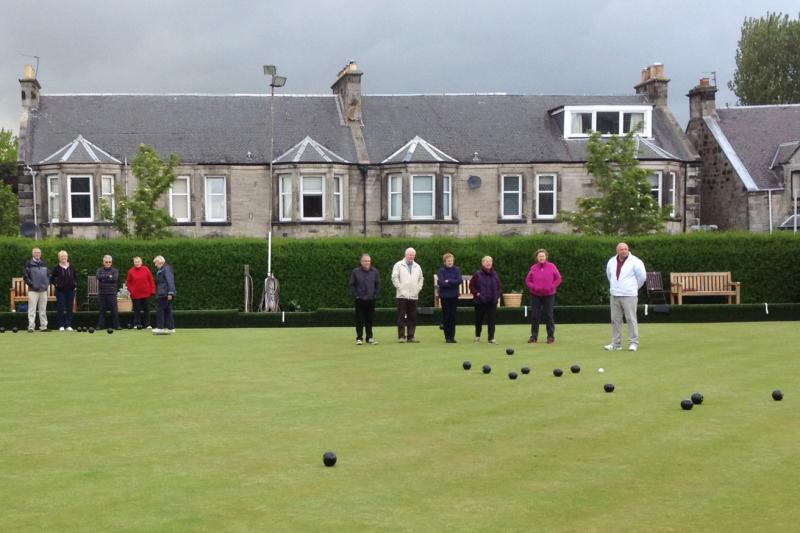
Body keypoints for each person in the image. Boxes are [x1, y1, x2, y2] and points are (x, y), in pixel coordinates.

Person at [605, 242, 646, 352]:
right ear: (617, 251)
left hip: (629, 295)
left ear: (628, 250)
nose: (623, 251)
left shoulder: (636, 261)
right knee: (615, 319)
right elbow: (609, 275)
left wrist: (633, 288)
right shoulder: (611, 261)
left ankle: (633, 343)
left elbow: (642, 277)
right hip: (615, 294)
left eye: (625, 249)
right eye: (621, 249)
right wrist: (615, 286)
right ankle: (616, 344)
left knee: (631, 319)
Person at [525, 249, 562, 344]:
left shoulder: (552, 266)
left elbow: (558, 279)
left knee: (549, 315)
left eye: (543, 256)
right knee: (535, 316)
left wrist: (551, 287)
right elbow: (528, 281)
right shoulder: (533, 267)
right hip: (536, 295)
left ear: (546, 257)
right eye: (539, 256)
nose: (541, 258)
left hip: (549, 295)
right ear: (537, 258)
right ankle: (534, 337)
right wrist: (534, 287)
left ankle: (550, 337)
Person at [391, 247, 423, 343]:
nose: (411, 256)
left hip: (414, 295)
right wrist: (400, 288)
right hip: (402, 295)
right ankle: (401, 336)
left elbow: (421, 278)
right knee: (401, 316)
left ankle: (411, 336)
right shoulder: (398, 265)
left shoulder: (417, 266)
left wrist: (418, 288)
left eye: (413, 255)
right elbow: (394, 277)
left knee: (412, 316)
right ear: (406, 255)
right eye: (410, 255)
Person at [349, 254, 381, 345]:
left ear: (370, 262)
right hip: (360, 300)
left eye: (368, 261)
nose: (367, 262)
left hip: (371, 300)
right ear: (361, 262)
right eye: (365, 261)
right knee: (359, 319)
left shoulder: (375, 272)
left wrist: (375, 295)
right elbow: (352, 285)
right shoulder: (355, 272)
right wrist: (356, 296)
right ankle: (359, 338)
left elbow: (378, 284)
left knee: (369, 319)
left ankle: (369, 338)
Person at [470, 256, 501, 344]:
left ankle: (491, 338)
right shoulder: (477, 274)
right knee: (479, 319)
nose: (488, 263)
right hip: (480, 301)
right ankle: (477, 336)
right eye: (486, 261)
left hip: (492, 301)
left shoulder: (495, 274)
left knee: (491, 320)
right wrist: (477, 294)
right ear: (482, 263)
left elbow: (499, 286)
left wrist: (497, 295)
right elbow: (471, 286)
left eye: (490, 261)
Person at [23, 247, 50, 332]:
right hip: (33, 290)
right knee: (32, 309)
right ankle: (31, 327)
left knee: (43, 310)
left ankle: (44, 327)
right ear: (33, 254)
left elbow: (49, 275)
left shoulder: (44, 263)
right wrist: (32, 285)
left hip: (43, 290)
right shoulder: (28, 264)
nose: (37, 254)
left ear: (40, 254)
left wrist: (46, 284)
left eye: (38, 253)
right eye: (35, 253)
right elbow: (25, 277)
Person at [438, 252, 462, 343]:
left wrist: (449, 281)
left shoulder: (457, 270)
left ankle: (452, 337)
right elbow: (442, 282)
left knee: (453, 316)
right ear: (444, 262)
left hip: (454, 296)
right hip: (445, 296)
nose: (450, 262)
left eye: (451, 261)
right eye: (448, 261)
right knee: (446, 316)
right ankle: (447, 337)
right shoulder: (442, 270)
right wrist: (452, 283)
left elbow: (459, 280)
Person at [50, 250, 77, 332]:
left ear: (67, 257)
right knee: (61, 307)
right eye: (61, 256)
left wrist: (75, 285)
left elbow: (76, 277)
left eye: (65, 256)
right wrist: (56, 285)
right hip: (60, 291)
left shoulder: (72, 267)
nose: (63, 258)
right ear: (59, 258)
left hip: (71, 290)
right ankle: (61, 325)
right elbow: (52, 279)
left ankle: (68, 325)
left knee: (69, 308)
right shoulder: (56, 268)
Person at [126, 256, 156, 329]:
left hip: (146, 294)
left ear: (141, 262)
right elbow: (128, 283)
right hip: (135, 295)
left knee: (147, 310)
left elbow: (151, 280)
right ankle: (136, 324)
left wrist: (153, 290)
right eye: (135, 262)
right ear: (134, 263)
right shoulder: (130, 271)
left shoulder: (146, 269)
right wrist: (131, 291)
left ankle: (148, 325)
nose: (137, 263)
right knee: (137, 310)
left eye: (138, 261)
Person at [96, 255, 121, 330]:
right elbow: (98, 277)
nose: (108, 263)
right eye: (106, 262)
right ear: (103, 262)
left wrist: (104, 278)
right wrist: (108, 276)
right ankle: (100, 326)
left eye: (109, 262)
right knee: (102, 310)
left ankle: (116, 325)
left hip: (112, 293)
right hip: (102, 293)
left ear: (111, 262)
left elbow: (115, 279)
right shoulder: (99, 270)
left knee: (114, 310)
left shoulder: (115, 270)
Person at [153, 255, 176, 335]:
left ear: (160, 262)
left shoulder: (166, 269)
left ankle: (160, 328)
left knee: (160, 310)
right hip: (163, 293)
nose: (155, 265)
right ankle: (171, 328)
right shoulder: (163, 269)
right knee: (167, 310)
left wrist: (170, 293)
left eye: (155, 263)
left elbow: (170, 281)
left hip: (165, 293)